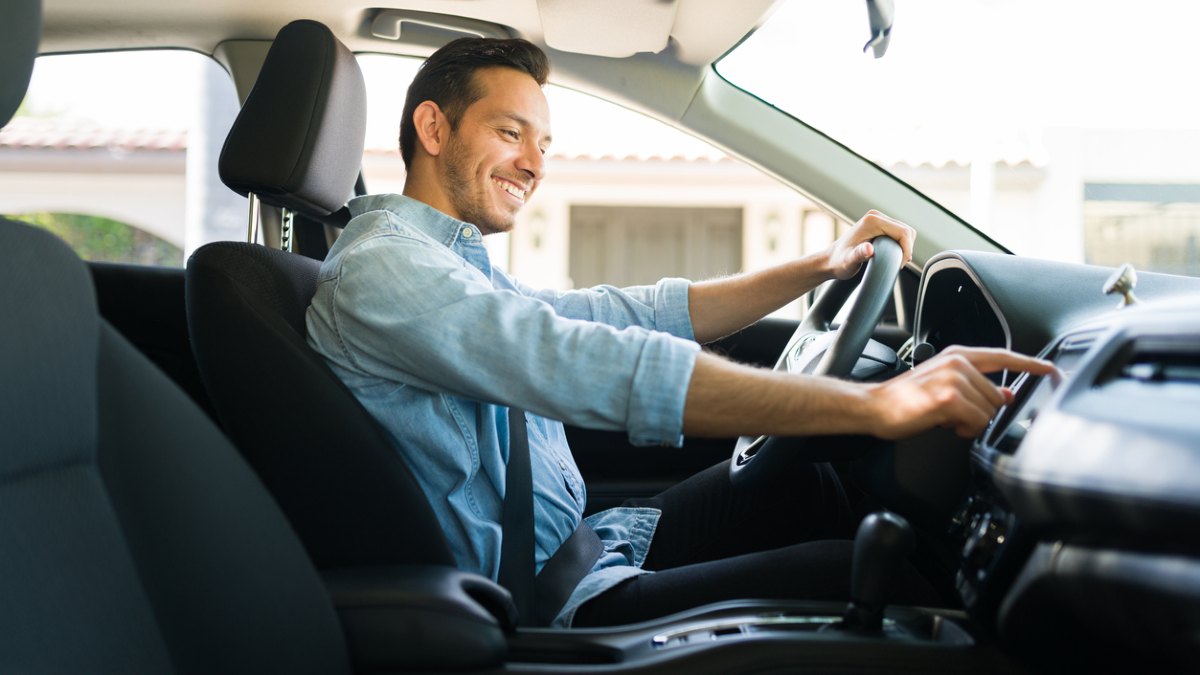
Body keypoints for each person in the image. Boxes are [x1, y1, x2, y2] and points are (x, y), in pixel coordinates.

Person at [305, 37, 1054, 628]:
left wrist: (820, 266)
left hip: (589, 544)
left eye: (545, 145)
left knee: (806, 485)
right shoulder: (384, 271)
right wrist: (876, 406)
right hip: (549, 603)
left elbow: (618, 315)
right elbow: (579, 360)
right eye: (511, 132)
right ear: (433, 127)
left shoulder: (446, 263)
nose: (534, 164)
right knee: (861, 574)